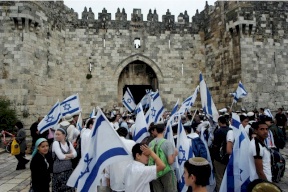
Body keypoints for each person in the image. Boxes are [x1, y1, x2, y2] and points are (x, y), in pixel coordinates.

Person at [148, 123, 178, 192]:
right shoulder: (167, 143)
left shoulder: (151, 143)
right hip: (167, 171)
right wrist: (175, 154)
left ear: (155, 130)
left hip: (155, 171)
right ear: (164, 130)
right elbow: (170, 161)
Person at [105, 128, 136, 192]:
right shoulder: (132, 143)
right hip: (130, 179)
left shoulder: (110, 145)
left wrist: (107, 177)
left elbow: (108, 162)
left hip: (115, 180)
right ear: (126, 134)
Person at [211, 116, 233, 191]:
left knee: (219, 177)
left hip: (219, 158)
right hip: (229, 157)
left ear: (220, 122)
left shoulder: (218, 131)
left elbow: (215, 144)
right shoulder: (231, 130)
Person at [52, 128, 77, 192]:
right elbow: (60, 157)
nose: (56, 136)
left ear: (64, 135)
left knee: (69, 188)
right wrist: (70, 155)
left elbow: (75, 154)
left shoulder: (68, 143)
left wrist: (65, 155)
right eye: (56, 134)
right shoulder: (56, 143)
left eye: (58, 134)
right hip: (59, 171)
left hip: (69, 170)